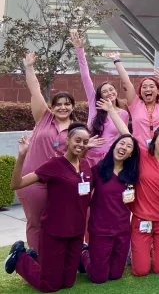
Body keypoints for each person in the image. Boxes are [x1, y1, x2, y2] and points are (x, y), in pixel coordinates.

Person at [6, 126, 93, 292]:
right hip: (55, 231)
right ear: (67, 141)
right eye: (77, 140)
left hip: (76, 232)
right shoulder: (54, 164)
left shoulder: (86, 166)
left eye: (85, 142)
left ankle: (35, 258)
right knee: (49, 285)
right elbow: (16, 184)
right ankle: (20, 258)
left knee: (68, 283)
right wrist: (22, 154)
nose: (81, 144)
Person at [104, 99, 159, 276]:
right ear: (155, 140)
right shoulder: (143, 155)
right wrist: (111, 110)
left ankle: (155, 251)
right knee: (140, 271)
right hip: (141, 219)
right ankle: (141, 253)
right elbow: (125, 132)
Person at [16, 52, 79, 250]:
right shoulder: (44, 119)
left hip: (60, 184)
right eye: (58, 104)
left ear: (72, 107)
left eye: (67, 104)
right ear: (51, 107)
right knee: (36, 222)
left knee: (57, 223)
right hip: (33, 181)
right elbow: (35, 91)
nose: (62, 107)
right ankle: (36, 258)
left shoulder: (77, 129)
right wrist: (29, 67)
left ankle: (54, 258)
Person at [79, 134, 139, 284]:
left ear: (131, 153)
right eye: (121, 143)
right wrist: (85, 149)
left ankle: (89, 256)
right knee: (99, 278)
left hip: (122, 230)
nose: (123, 147)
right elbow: (78, 172)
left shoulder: (131, 174)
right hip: (101, 230)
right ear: (114, 146)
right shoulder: (98, 170)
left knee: (115, 275)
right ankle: (84, 253)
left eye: (128, 146)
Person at [71, 31, 129, 166]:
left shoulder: (123, 113)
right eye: (104, 92)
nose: (109, 93)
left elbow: (123, 136)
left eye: (111, 89)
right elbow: (85, 77)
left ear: (115, 91)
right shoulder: (95, 105)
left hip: (110, 159)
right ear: (100, 96)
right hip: (88, 156)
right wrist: (80, 49)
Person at [114, 49, 159, 147]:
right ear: (140, 91)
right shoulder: (135, 103)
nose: (148, 89)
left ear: (158, 91)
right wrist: (117, 61)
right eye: (144, 87)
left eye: (151, 86)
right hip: (139, 152)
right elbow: (126, 81)